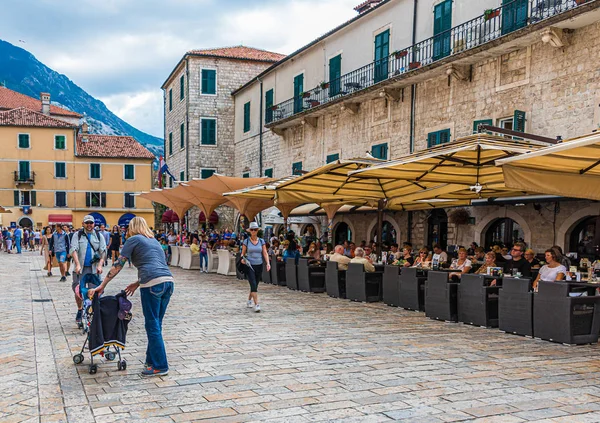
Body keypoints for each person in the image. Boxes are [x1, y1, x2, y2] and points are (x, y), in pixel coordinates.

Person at [89, 217, 174, 377]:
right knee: (157, 324)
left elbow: (118, 264)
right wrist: (137, 282)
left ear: (132, 227)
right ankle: (151, 361)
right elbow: (158, 265)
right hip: (168, 282)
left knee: (152, 325)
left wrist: (103, 285)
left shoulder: (133, 239)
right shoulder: (153, 241)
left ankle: (160, 366)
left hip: (152, 285)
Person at [70, 215, 106, 325]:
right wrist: (77, 264)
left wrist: (100, 265)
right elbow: (73, 249)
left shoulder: (99, 236)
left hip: (94, 269)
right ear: (83, 224)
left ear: (94, 224)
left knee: (94, 291)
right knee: (78, 290)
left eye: (91, 223)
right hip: (80, 269)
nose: (89, 225)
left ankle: (92, 312)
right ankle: (80, 310)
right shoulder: (78, 235)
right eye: (87, 223)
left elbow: (103, 251)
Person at [240, 222, 270, 313]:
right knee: (252, 283)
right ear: (250, 231)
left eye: (255, 230)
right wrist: (242, 259)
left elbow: (265, 252)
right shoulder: (246, 241)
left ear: (257, 231)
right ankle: (256, 304)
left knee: (255, 284)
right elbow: (243, 253)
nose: (253, 231)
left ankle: (249, 299)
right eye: (252, 230)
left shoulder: (261, 241)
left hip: (259, 264)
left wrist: (268, 263)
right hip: (250, 265)